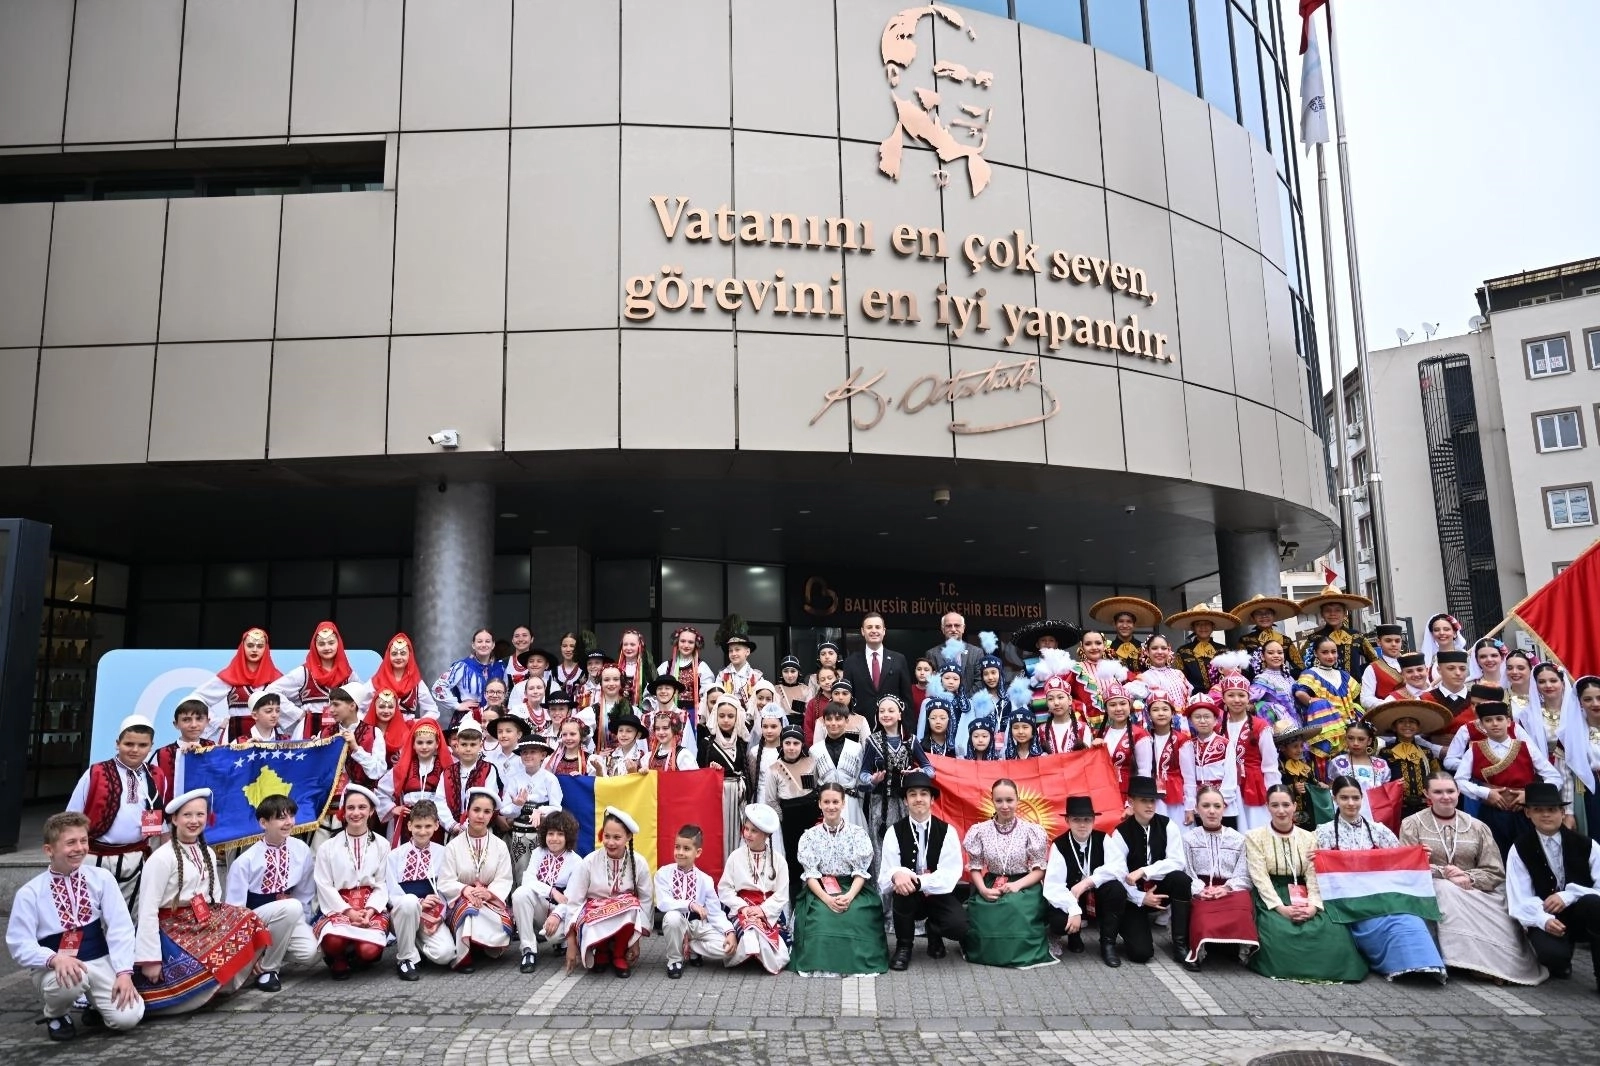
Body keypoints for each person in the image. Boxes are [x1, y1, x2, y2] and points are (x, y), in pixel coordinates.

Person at [6, 811, 145, 1042]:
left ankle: (94, 1004)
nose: (79, 848)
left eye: (83, 841)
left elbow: (120, 927)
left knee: (128, 1017)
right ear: (49, 850)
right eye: (70, 842)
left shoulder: (101, 878)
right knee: (74, 979)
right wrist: (53, 959)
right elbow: (19, 943)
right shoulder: (30, 892)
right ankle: (56, 1014)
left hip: (98, 959)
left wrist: (123, 972)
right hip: (55, 967)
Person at [1398, 772, 1546, 985]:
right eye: (1438, 792)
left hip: (1475, 888)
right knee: (1447, 891)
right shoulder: (1412, 824)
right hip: (1433, 886)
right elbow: (1407, 867)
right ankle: (1474, 963)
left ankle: (1499, 965)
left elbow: (1495, 871)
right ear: (1426, 794)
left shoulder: (1477, 826)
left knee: (1502, 909)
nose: (1445, 797)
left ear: (1458, 792)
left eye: (1450, 791)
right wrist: (1443, 872)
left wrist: (1468, 877)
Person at [133, 788, 271, 1012]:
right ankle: (190, 997)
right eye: (187, 815)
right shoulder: (161, 858)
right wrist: (150, 959)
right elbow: (147, 909)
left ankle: (222, 986)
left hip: (201, 921)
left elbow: (214, 898)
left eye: (200, 814)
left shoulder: (207, 851)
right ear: (174, 819)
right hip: (172, 926)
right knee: (192, 966)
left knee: (249, 920)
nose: (194, 821)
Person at [1316, 775, 1447, 982]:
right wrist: (1315, 860)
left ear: (1362, 798)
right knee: (1379, 924)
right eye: (1344, 798)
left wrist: (1419, 856)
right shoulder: (1324, 832)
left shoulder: (1379, 830)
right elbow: (1318, 873)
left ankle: (1425, 963)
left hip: (1382, 897)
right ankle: (1399, 964)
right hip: (1347, 902)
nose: (1351, 803)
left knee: (1408, 918)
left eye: (1356, 798)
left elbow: (1399, 863)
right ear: (1334, 799)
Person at [1243, 784, 1367, 982]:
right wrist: (1281, 908)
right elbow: (1260, 877)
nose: (1281, 811)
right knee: (1278, 932)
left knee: (1334, 932)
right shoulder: (1254, 837)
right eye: (1275, 805)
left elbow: (1312, 875)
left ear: (1294, 806)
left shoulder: (1309, 837)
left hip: (1304, 892)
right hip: (1272, 895)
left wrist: (1313, 906)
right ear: (1267, 807)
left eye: (1286, 805)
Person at [1506, 781, 1600, 991]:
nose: (1546, 815)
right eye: (1538, 810)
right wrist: (1544, 920)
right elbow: (1519, 897)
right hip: (1546, 915)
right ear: (1528, 813)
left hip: (1582, 914)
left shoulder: (1587, 845)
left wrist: (1569, 895)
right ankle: (1560, 958)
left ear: (1562, 812)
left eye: (1551, 809)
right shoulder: (1519, 848)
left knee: (1595, 904)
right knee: (1553, 958)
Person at [223, 795, 317, 992]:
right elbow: (235, 910)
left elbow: (305, 893)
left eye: (291, 816)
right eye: (281, 818)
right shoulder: (246, 860)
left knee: (312, 952)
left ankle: (266, 954)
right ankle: (268, 970)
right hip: (255, 919)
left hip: (290, 914)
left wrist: (303, 922)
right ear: (263, 823)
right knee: (291, 907)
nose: (289, 822)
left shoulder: (301, 849)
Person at [67, 714, 163, 907]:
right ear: (117, 743)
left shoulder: (156, 775)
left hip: (135, 857)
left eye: (142, 745)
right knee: (89, 911)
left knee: (129, 913)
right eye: (129, 744)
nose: (135, 750)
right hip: (95, 856)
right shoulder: (96, 772)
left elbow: (163, 818)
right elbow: (71, 817)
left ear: (151, 747)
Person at [791, 784, 888, 975]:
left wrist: (849, 896)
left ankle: (855, 961)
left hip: (852, 886)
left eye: (835, 802)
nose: (831, 806)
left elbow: (860, 872)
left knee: (856, 914)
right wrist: (827, 899)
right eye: (826, 802)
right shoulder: (810, 836)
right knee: (821, 916)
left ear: (843, 803)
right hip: (820, 889)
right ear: (819, 804)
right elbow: (810, 875)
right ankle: (821, 962)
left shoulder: (857, 834)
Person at [1098, 776, 1191, 965]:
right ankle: (1111, 940)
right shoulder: (1120, 833)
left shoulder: (1168, 825)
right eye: (1144, 800)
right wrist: (1141, 898)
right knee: (1141, 954)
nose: (1150, 805)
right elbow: (1117, 873)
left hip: (1160, 892)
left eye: (1152, 801)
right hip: (1132, 898)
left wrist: (1144, 870)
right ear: (1131, 802)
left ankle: (1180, 945)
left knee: (1181, 879)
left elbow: (1177, 862)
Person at [879, 771, 967, 970]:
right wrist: (896, 875)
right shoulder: (894, 832)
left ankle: (934, 930)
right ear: (905, 801)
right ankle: (904, 946)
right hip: (909, 896)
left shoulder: (947, 831)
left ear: (932, 799)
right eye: (912, 794)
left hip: (938, 894)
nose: (918, 799)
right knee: (901, 890)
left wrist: (919, 882)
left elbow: (950, 874)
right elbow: (885, 875)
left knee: (959, 927)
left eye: (924, 794)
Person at [961, 778, 1051, 967]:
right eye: (999, 800)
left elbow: (1040, 870)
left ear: (1018, 800)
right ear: (992, 801)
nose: (1004, 806)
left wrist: (1017, 885)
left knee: (1014, 906)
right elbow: (975, 867)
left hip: (1024, 883)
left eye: (1009, 800)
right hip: (990, 882)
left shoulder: (1030, 831)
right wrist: (983, 890)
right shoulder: (980, 830)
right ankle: (986, 952)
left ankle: (1018, 952)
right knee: (983, 909)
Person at [1454, 701, 1563, 856]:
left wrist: (1530, 795)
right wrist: (1486, 793)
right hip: (1491, 812)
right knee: (1494, 855)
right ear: (1482, 725)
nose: (1494, 724)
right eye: (1488, 720)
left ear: (1509, 722)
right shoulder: (1474, 750)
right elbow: (1460, 780)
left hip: (1524, 813)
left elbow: (1554, 776)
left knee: (1528, 854)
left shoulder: (1526, 747)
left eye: (1499, 719)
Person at [310, 785, 392, 981]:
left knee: (369, 951)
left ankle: (358, 955)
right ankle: (338, 957)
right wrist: (348, 912)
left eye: (362, 807)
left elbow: (382, 883)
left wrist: (369, 911)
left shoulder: (382, 844)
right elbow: (324, 885)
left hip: (370, 906)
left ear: (371, 811)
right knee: (333, 942)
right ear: (344, 811)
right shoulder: (327, 847)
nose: (356, 813)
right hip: (338, 906)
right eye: (351, 808)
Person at [566, 807, 654, 978]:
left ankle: (619, 954)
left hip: (625, 921)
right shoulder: (589, 861)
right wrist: (571, 942)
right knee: (592, 908)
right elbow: (574, 900)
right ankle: (601, 951)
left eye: (617, 837)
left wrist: (636, 941)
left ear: (628, 837)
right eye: (607, 836)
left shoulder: (639, 862)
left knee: (631, 905)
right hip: (594, 916)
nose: (610, 842)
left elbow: (646, 901)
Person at [1182, 785, 1258, 970]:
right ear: (1197, 809)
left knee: (1243, 903)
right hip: (1201, 890)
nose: (1212, 811)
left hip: (1231, 890)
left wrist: (1226, 888)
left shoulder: (1238, 839)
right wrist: (1200, 890)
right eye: (1206, 806)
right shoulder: (1188, 839)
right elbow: (1186, 872)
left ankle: (1235, 946)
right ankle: (1201, 948)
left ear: (1224, 808)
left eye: (1217, 806)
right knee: (1201, 914)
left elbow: (1243, 873)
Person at [438, 788, 515, 972]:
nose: (481, 816)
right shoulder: (453, 846)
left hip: (490, 899)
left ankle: (481, 945)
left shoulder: (500, 845)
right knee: (469, 910)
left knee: (485, 915)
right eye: (476, 810)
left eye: (487, 811)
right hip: (462, 898)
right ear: (468, 811)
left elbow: (504, 878)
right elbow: (445, 880)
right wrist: (466, 890)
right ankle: (464, 956)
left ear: (492, 815)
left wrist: (488, 893)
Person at [1043, 795, 1121, 965]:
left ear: (1093, 820)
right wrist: (1073, 909)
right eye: (1076, 819)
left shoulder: (1103, 839)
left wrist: (1088, 882)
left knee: (1116, 889)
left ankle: (1108, 944)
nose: (1082, 824)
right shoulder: (1059, 845)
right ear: (1067, 821)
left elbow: (1118, 868)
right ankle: (1074, 935)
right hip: (1072, 898)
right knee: (1058, 922)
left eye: (1087, 819)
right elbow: (1053, 886)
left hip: (1098, 898)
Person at [860, 695, 932, 870]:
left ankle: (909, 881)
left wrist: (918, 773)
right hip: (880, 802)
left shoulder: (911, 740)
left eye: (891, 711)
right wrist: (872, 780)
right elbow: (863, 773)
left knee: (907, 841)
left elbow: (930, 769)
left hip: (907, 802)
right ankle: (883, 885)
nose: (886, 714)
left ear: (900, 715)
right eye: (882, 711)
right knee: (882, 844)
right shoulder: (872, 741)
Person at [718, 803, 791, 974]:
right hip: (741, 909)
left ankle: (754, 953)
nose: (748, 834)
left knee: (776, 947)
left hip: (769, 912)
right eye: (746, 829)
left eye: (754, 831)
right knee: (751, 929)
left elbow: (782, 894)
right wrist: (743, 907)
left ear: (766, 835)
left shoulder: (778, 860)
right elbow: (725, 889)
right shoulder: (735, 857)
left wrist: (762, 910)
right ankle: (754, 953)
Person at [385, 798, 453, 981]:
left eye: (428, 826)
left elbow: (445, 889)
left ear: (437, 825)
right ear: (409, 826)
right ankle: (405, 958)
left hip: (431, 916)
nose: (422, 831)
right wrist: (419, 903)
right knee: (409, 903)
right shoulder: (395, 856)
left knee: (446, 954)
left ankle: (414, 944)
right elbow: (391, 893)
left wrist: (439, 915)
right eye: (418, 826)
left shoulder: (443, 853)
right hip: (402, 915)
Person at [654, 825, 734, 978]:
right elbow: (663, 903)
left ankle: (692, 947)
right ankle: (675, 960)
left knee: (728, 949)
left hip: (698, 926)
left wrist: (729, 931)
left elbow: (715, 912)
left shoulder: (705, 880)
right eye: (677, 847)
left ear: (698, 852)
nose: (680, 852)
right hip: (676, 923)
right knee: (672, 917)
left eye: (686, 848)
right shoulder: (663, 873)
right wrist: (690, 904)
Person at [185, 627, 284, 743]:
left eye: (260, 646)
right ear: (243, 647)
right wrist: (217, 721)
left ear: (266, 649)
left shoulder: (276, 679)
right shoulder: (230, 675)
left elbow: (292, 705)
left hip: (268, 735)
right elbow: (196, 698)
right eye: (250, 645)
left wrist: (281, 720)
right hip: (235, 735)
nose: (254, 650)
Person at [510, 809, 580, 973]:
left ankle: (561, 942)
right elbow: (528, 880)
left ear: (568, 837)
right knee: (520, 894)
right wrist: (551, 891)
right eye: (550, 833)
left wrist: (557, 915)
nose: (554, 838)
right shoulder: (538, 853)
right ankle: (528, 949)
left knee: (552, 936)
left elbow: (571, 899)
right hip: (542, 906)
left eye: (560, 834)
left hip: (561, 911)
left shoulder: (576, 861)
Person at [271, 621, 361, 740]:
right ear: (315, 646)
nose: (327, 647)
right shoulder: (304, 673)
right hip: (309, 729)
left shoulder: (348, 674)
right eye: (321, 644)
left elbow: (362, 701)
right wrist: (297, 714)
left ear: (338, 644)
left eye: (331, 643)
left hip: (340, 730)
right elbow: (271, 691)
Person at [1367, 698, 1452, 818]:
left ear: (1418, 727)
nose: (1407, 725)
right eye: (1401, 721)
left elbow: (1437, 777)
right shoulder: (1385, 753)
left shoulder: (1427, 753)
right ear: (1394, 727)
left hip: (1425, 806)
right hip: (1396, 807)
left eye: (1412, 722)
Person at [375, 718, 453, 846]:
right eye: (420, 742)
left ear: (437, 743)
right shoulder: (404, 767)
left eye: (429, 742)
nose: (424, 747)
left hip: (436, 822)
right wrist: (392, 808)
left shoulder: (446, 767)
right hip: (409, 823)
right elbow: (381, 790)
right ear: (413, 744)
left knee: (436, 854)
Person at [1218, 673, 1280, 830]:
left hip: (1254, 786)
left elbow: (1270, 765)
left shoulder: (1261, 726)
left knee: (1256, 829)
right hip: (1227, 786)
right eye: (1231, 695)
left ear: (1248, 698)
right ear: (1223, 698)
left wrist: (1274, 793)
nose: (1236, 700)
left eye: (1241, 695)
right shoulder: (1218, 728)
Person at [764, 725, 819, 889]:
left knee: (812, 854)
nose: (791, 747)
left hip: (811, 816)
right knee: (793, 857)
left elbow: (816, 788)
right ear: (782, 744)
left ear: (802, 745)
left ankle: (814, 890)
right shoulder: (774, 769)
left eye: (796, 743)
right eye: (787, 743)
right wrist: (783, 820)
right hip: (789, 819)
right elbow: (771, 800)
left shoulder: (811, 763)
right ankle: (795, 893)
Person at [505, 734, 565, 881]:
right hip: (519, 832)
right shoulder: (515, 779)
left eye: (533, 752)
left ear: (543, 755)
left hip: (541, 833)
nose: (528, 755)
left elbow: (557, 807)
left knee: (541, 871)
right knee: (520, 870)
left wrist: (540, 810)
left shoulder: (550, 779)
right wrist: (517, 805)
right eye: (524, 752)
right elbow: (504, 809)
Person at [1292, 637, 1362, 757]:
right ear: (1316, 653)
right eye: (1325, 652)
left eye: (1333, 652)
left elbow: (1355, 697)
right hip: (1327, 729)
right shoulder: (1311, 673)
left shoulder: (1343, 675)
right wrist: (1318, 704)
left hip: (1349, 725)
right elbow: (1300, 693)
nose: (1330, 656)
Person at [698, 695, 749, 859]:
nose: (726, 720)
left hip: (737, 795)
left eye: (730, 716)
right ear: (715, 716)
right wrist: (711, 771)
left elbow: (746, 771)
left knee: (736, 832)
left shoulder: (742, 742)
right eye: (722, 716)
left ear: (737, 718)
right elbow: (699, 773)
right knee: (718, 832)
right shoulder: (706, 743)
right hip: (716, 795)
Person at [1293, 586, 1378, 680]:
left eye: (1338, 610)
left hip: (1354, 687)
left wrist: (1359, 673)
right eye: (1327, 610)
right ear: (1322, 613)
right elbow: (1301, 666)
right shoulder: (1314, 638)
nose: (1332, 614)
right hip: (1324, 688)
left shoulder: (1357, 636)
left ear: (1344, 613)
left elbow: (1375, 661)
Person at [1139, 692, 1194, 825]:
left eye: (1165, 709)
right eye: (1155, 710)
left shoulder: (1182, 740)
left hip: (1175, 796)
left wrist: (1190, 806)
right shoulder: (1144, 738)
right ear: (1148, 714)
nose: (1161, 713)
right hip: (1151, 794)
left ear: (1173, 713)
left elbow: (1189, 776)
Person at [148, 699, 215, 808]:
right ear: (176, 724)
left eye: (199, 719)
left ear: (207, 721)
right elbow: (150, 790)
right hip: (171, 816)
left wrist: (204, 755)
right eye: (186, 720)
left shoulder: (214, 748)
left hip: (209, 814)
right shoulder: (162, 754)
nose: (193, 725)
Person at [359, 633, 438, 723]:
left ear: (409, 655)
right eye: (394, 654)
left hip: (406, 730)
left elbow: (432, 711)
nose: (398, 657)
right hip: (381, 729)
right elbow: (358, 708)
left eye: (403, 653)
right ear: (388, 656)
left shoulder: (416, 683)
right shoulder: (377, 680)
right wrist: (368, 726)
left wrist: (416, 723)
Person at [812, 704, 867, 831]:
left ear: (846, 721)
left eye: (838, 719)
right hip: (826, 805)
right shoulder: (815, 751)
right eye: (829, 719)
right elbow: (814, 782)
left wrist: (859, 805)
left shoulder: (856, 748)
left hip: (851, 804)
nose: (833, 723)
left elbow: (860, 780)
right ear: (823, 722)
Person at [841, 612, 913, 710]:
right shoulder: (851, 662)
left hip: (891, 718)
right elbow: (847, 696)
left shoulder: (899, 659)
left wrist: (907, 719)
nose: (874, 630)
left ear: (884, 631)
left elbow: (907, 697)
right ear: (862, 631)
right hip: (861, 718)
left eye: (878, 627)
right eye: (869, 627)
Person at [431, 628, 506, 722]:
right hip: (468, 717)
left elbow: (505, 691)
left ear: (493, 645)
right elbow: (438, 687)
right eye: (479, 641)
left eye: (487, 641)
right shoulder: (462, 666)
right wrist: (457, 705)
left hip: (494, 717)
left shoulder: (500, 667)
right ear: (473, 645)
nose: (483, 645)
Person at [1325, 722, 1391, 819]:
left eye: (1361, 739)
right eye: (1351, 738)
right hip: (1344, 815)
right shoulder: (1338, 763)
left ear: (1369, 741)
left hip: (1375, 816)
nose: (1355, 743)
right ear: (1345, 738)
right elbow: (1332, 792)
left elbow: (1387, 794)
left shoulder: (1381, 765)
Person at [1166, 604, 1238, 692]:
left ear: (1213, 626)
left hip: (1221, 695)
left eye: (1207, 624)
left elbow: (1232, 676)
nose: (1203, 627)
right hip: (1194, 696)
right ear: (1193, 628)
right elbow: (1180, 678)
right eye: (1198, 624)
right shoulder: (1183, 651)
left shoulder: (1224, 650)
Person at [1088, 596, 1161, 676]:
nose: (1125, 625)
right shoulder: (1107, 650)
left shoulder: (1144, 649)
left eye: (1129, 621)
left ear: (1134, 625)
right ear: (1115, 624)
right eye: (1121, 621)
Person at [1098, 682, 1149, 798]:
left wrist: (1136, 802)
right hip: (1104, 795)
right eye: (1112, 705)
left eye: (1123, 703)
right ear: (1106, 709)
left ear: (1129, 705)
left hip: (1129, 796)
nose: (1118, 709)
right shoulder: (1100, 734)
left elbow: (1144, 772)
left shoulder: (1140, 734)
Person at [660, 625, 717, 725]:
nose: (686, 645)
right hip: (670, 713)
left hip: (693, 714)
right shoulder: (666, 666)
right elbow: (657, 690)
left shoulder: (702, 667)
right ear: (677, 642)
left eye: (690, 642)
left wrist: (700, 714)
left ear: (696, 644)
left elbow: (707, 694)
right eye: (682, 641)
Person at [1230, 595, 1304, 670]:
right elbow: (1239, 668)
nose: (1264, 616)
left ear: (1274, 616)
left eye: (1268, 613)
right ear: (1252, 618)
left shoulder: (1286, 641)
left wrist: (1287, 674)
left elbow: (1300, 667)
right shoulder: (1245, 640)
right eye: (1259, 613)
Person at [925, 611, 982, 691]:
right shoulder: (932, 654)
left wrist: (964, 698)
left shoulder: (976, 653)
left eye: (957, 625)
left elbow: (980, 681)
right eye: (949, 626)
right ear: (943, 629)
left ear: (963, 628)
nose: (953, 629)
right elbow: (931, 683)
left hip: (970, 698)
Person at [1358, 624, 1409, 709]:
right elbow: (1365, 699)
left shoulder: (1411, 663)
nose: (1394, 644)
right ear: (1379, 642)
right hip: (1388, 713)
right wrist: (1390, 704)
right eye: (1388, 641)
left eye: (1397, 641)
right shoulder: (1372, 669)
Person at [550, 632, 586, 703]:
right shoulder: (553, 672)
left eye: (572, 646)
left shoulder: (585, 671)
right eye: (564, 646)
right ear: (560, 647)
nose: (568, 649)